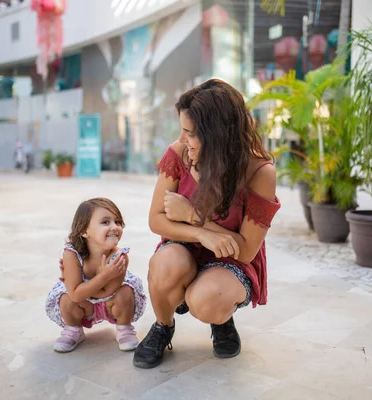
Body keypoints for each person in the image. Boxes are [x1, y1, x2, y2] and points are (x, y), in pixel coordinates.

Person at [133, 79, 281, 369]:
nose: (183, 139)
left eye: (191, 133)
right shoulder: (179, 154)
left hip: (233, 260)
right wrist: (200, 232)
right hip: (184, 247)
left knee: (204, 300)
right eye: (182, 130)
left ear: (217, 136)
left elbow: (246, 250)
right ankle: (164, 326)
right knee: (165, 265)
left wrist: (192, 215)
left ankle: (221, 318)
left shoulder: (259, 172)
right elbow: (156, 220)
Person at [45, 198, 147, 353]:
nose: (114, 227)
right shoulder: (72, 254)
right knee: (67, 298)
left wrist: (82, 286)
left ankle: (124, 329)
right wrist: (103, 276)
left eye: (118, 222)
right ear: (84, 231)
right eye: (105, 222)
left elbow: (108, 292)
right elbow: (75, 295)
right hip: (82, 304)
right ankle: (74, 330)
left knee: (125, 292)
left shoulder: (120, 257)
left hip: (109, 302)